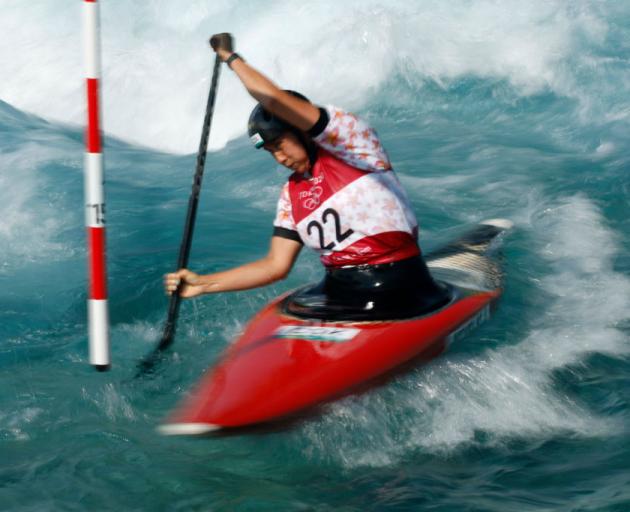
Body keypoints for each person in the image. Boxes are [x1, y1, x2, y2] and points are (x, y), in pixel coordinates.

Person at [164, 33, 449, 320]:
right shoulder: (292, 193)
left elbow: (274, 99)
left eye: (280, 145)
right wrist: (202, 284)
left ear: (301, 131)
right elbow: (275, 265)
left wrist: (229, 58)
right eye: (271, 152)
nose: (279, 157)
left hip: (398, 286)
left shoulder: (352, 143)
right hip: (338, 290)